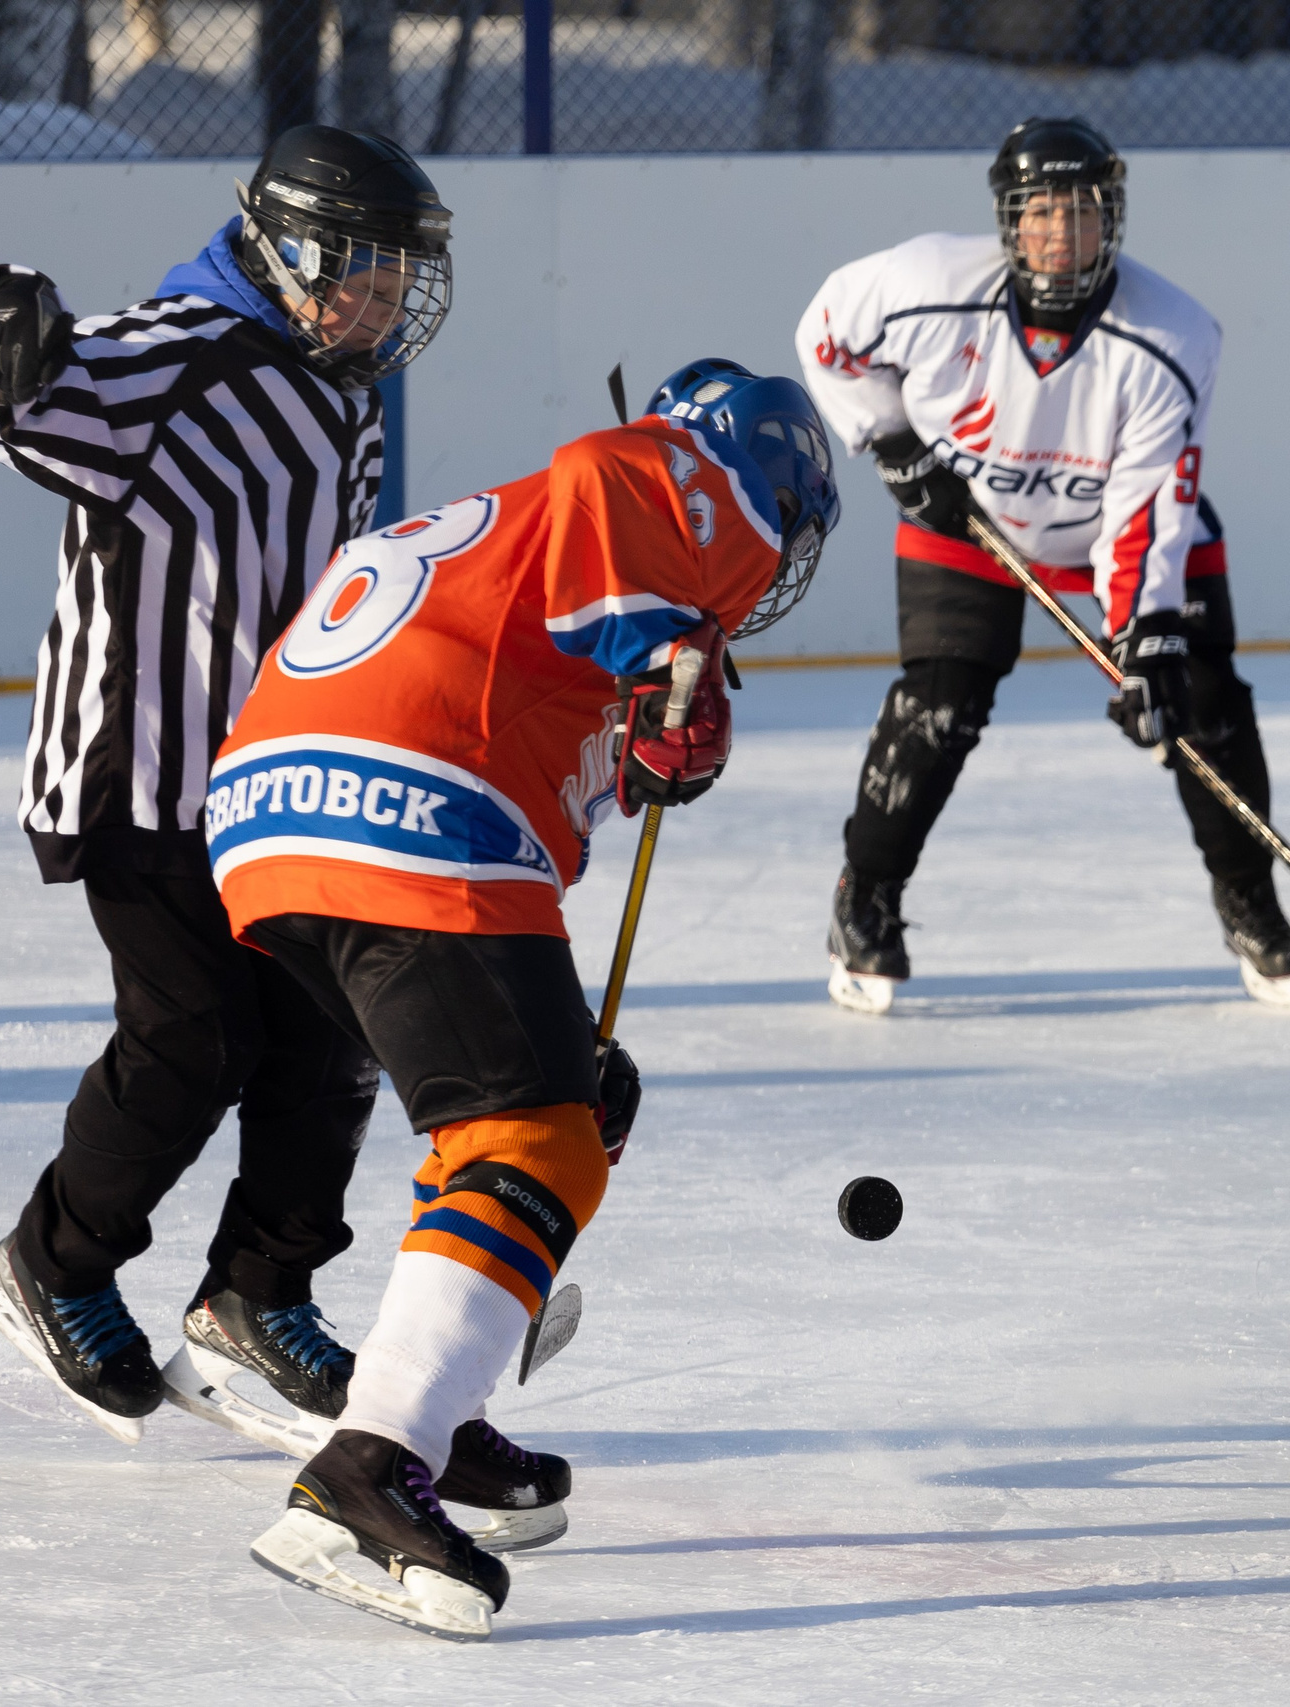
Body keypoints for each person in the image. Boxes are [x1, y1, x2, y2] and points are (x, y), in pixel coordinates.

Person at [206, 360, 838, 1638]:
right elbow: (612, 471)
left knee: (523, 1124)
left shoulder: (518, 549)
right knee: (534, 1140)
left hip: (278, 819)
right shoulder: (669, 484)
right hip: (406, 799)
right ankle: (366, 1471)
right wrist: (665, 646)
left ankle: (429, 1415)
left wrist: (652, 733)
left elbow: (568, 739)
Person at [0, 126, 496, 1481]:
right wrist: (2, 323)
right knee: (189, 1038)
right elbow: (1, 390)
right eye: (362, 269)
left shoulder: (344, 386)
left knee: (328, 1028)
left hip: (271, 783)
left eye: (397, 275)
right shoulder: (180, 347)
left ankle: (259, 1288)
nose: (381, 299)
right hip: (136, 772)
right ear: (290, 247)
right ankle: (52, 1260)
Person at [794, 116, 1290, 1015]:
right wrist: (892, 441)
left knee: (1200, 700)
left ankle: (1248, 896)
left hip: (1115, 534)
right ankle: (866, 897)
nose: (1062, 234)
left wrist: (1146, 635)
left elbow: (1147, 501)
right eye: (1042, 213)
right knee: (937, 705)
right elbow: (826, 339)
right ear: (1008, 221)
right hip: (968, 526)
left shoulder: (1171, 334)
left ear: (1112, 219)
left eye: (1083, 212)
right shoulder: (923, 284)